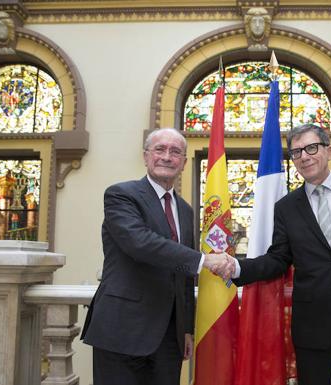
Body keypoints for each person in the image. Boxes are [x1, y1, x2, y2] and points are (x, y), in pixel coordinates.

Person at [220, 124, 331, 385]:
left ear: (328, 150)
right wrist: (237, 268)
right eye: (296, 152)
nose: (304, 156)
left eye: (311, 148)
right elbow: (278, 259)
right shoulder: (286, 207)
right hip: (313, 325)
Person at [81, 128, 230, 385]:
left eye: (175, 152)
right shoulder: (121, 195)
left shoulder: (185, 210)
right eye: (160, 149)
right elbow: (140, 243)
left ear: (183, 162)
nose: (167, 157)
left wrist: (185, 329)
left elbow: (184, 276)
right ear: (146, 156)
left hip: (168, 337)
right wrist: (204, 260)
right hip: (122, 328)